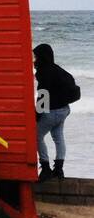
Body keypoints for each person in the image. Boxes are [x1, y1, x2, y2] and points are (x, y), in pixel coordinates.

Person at [34, 43, 80, 182]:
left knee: (36, 135)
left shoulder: (44, 72)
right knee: (58, 137)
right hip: (65, 110)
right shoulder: (58, 70)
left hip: (52, 111)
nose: (35, 59)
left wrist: (37, 113)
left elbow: (43, 93)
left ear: (42, 57)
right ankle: (59, 169)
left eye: (36, 56)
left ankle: (46, 168)